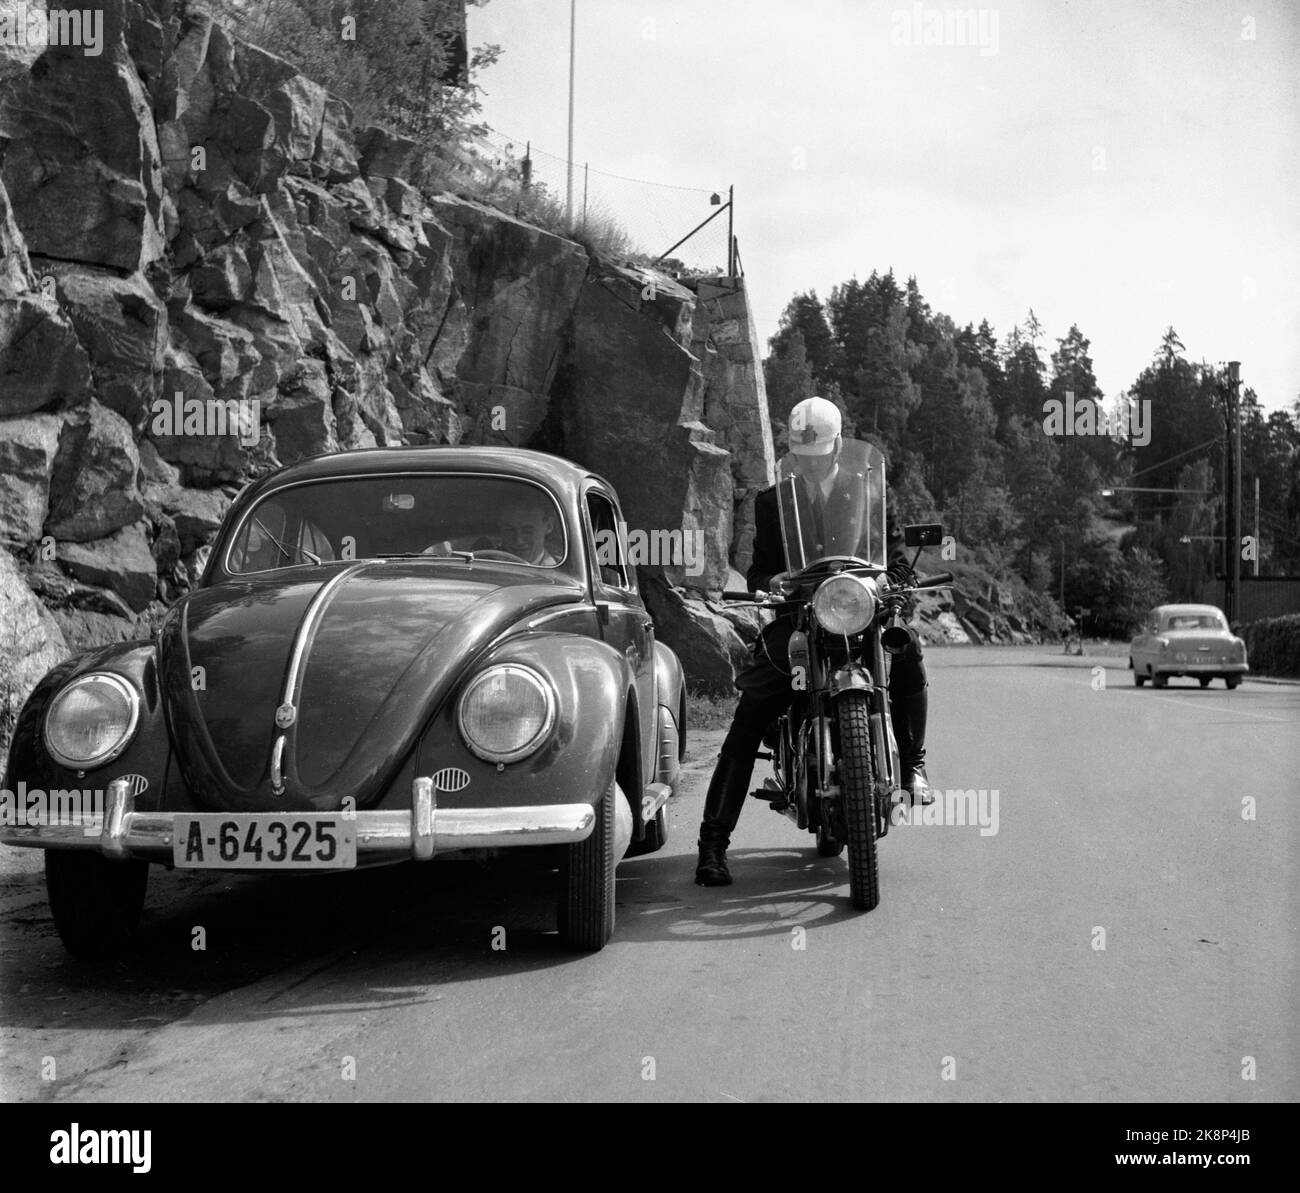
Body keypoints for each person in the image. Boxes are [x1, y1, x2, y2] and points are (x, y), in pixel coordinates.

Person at [695, 395, 934, 887]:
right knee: (753, 707)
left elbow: (889, 555)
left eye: (820, 456)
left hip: (857, 607)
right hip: (800, 615)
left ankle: (913, 769)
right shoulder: (771, 501)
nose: (811, 464)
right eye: (802, 458)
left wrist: (899, 578)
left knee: (905, 650)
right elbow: (759, 566)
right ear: (791, 455)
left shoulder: (864, 490)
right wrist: (772, 580)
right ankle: (713, 845)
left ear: (839, 446)